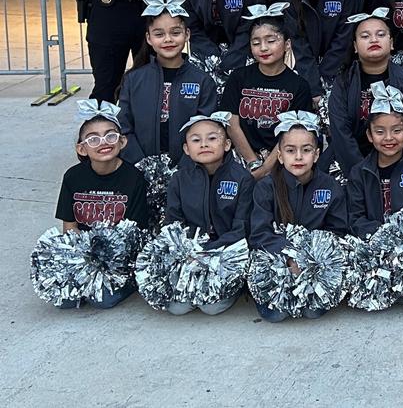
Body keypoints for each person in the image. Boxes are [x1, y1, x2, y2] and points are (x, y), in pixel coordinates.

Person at [249, 111, 349, 322]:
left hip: (315, 265)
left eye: (306, 150)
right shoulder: (266, 188)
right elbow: (259, 233)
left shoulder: (330, 187)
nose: (298, 157)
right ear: (279, 156)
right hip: (277, 264)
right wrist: (288, 258)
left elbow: (338, 231)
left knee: (313, 312)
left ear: (317, 154)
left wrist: (309, 259)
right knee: (275, 314)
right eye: (290, 150)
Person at [54, 100, 149, 308]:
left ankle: (130, 283)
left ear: (122, 141)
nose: (103, 142)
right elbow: (69, 227)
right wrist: (81, 262)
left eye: (110, 136)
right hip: (84, 253)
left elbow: (134, 234)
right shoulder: (72, 177)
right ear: (82, 148)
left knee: (102, 299)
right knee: (64, 299)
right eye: (93, 139)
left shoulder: (134, 178)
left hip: (119, 256)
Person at [163, 111, 254, 315]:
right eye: (196, 140)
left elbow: (242, 227)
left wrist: (211, 251)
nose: (204, 144)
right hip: (190, 254)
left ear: (227, 144)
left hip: (224, 254)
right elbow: (173, 222)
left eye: (212, 138)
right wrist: (188, 251)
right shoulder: (179, 179)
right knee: (177, 308)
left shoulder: (242, 179)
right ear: (186, 149)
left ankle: (233, 288)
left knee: (211, 307)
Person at [117, 0, 218, 166]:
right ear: (149, 38)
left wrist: (186, 165)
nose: (168, 39)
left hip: (188, 168)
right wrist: (142, 164)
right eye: (159, 34)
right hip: (140, 168)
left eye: (175, 33)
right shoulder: (133, 80)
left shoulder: (202, 81)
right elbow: (123, 127)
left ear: (187, 34)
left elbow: (206, 129)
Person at [324, 9, 403, 177]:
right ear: (355, 46)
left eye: (380, 34)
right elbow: (341, 133)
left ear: (391, 43)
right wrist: (361, 173)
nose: (373, 40)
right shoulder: (343, 83)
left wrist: (390, 165)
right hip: (351, 165)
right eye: (365, 36)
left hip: (397, 163)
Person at [220, 4, 313, 179]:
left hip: (282, 164)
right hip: (241, 161)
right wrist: (252, 162)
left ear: (287, 44)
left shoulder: (299, 85)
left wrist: (266, 169)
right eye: (256, 43)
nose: (263, 48)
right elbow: (231, 123)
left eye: (271, 41)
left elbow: (293, 133)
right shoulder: (238, 77)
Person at [346, 83, 403, 238]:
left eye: (397, 130)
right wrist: (383, 235)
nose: (389, 138)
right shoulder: (359, 173)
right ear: (369, 135)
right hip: (370, 246)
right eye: (380, 132)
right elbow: (355, 219)